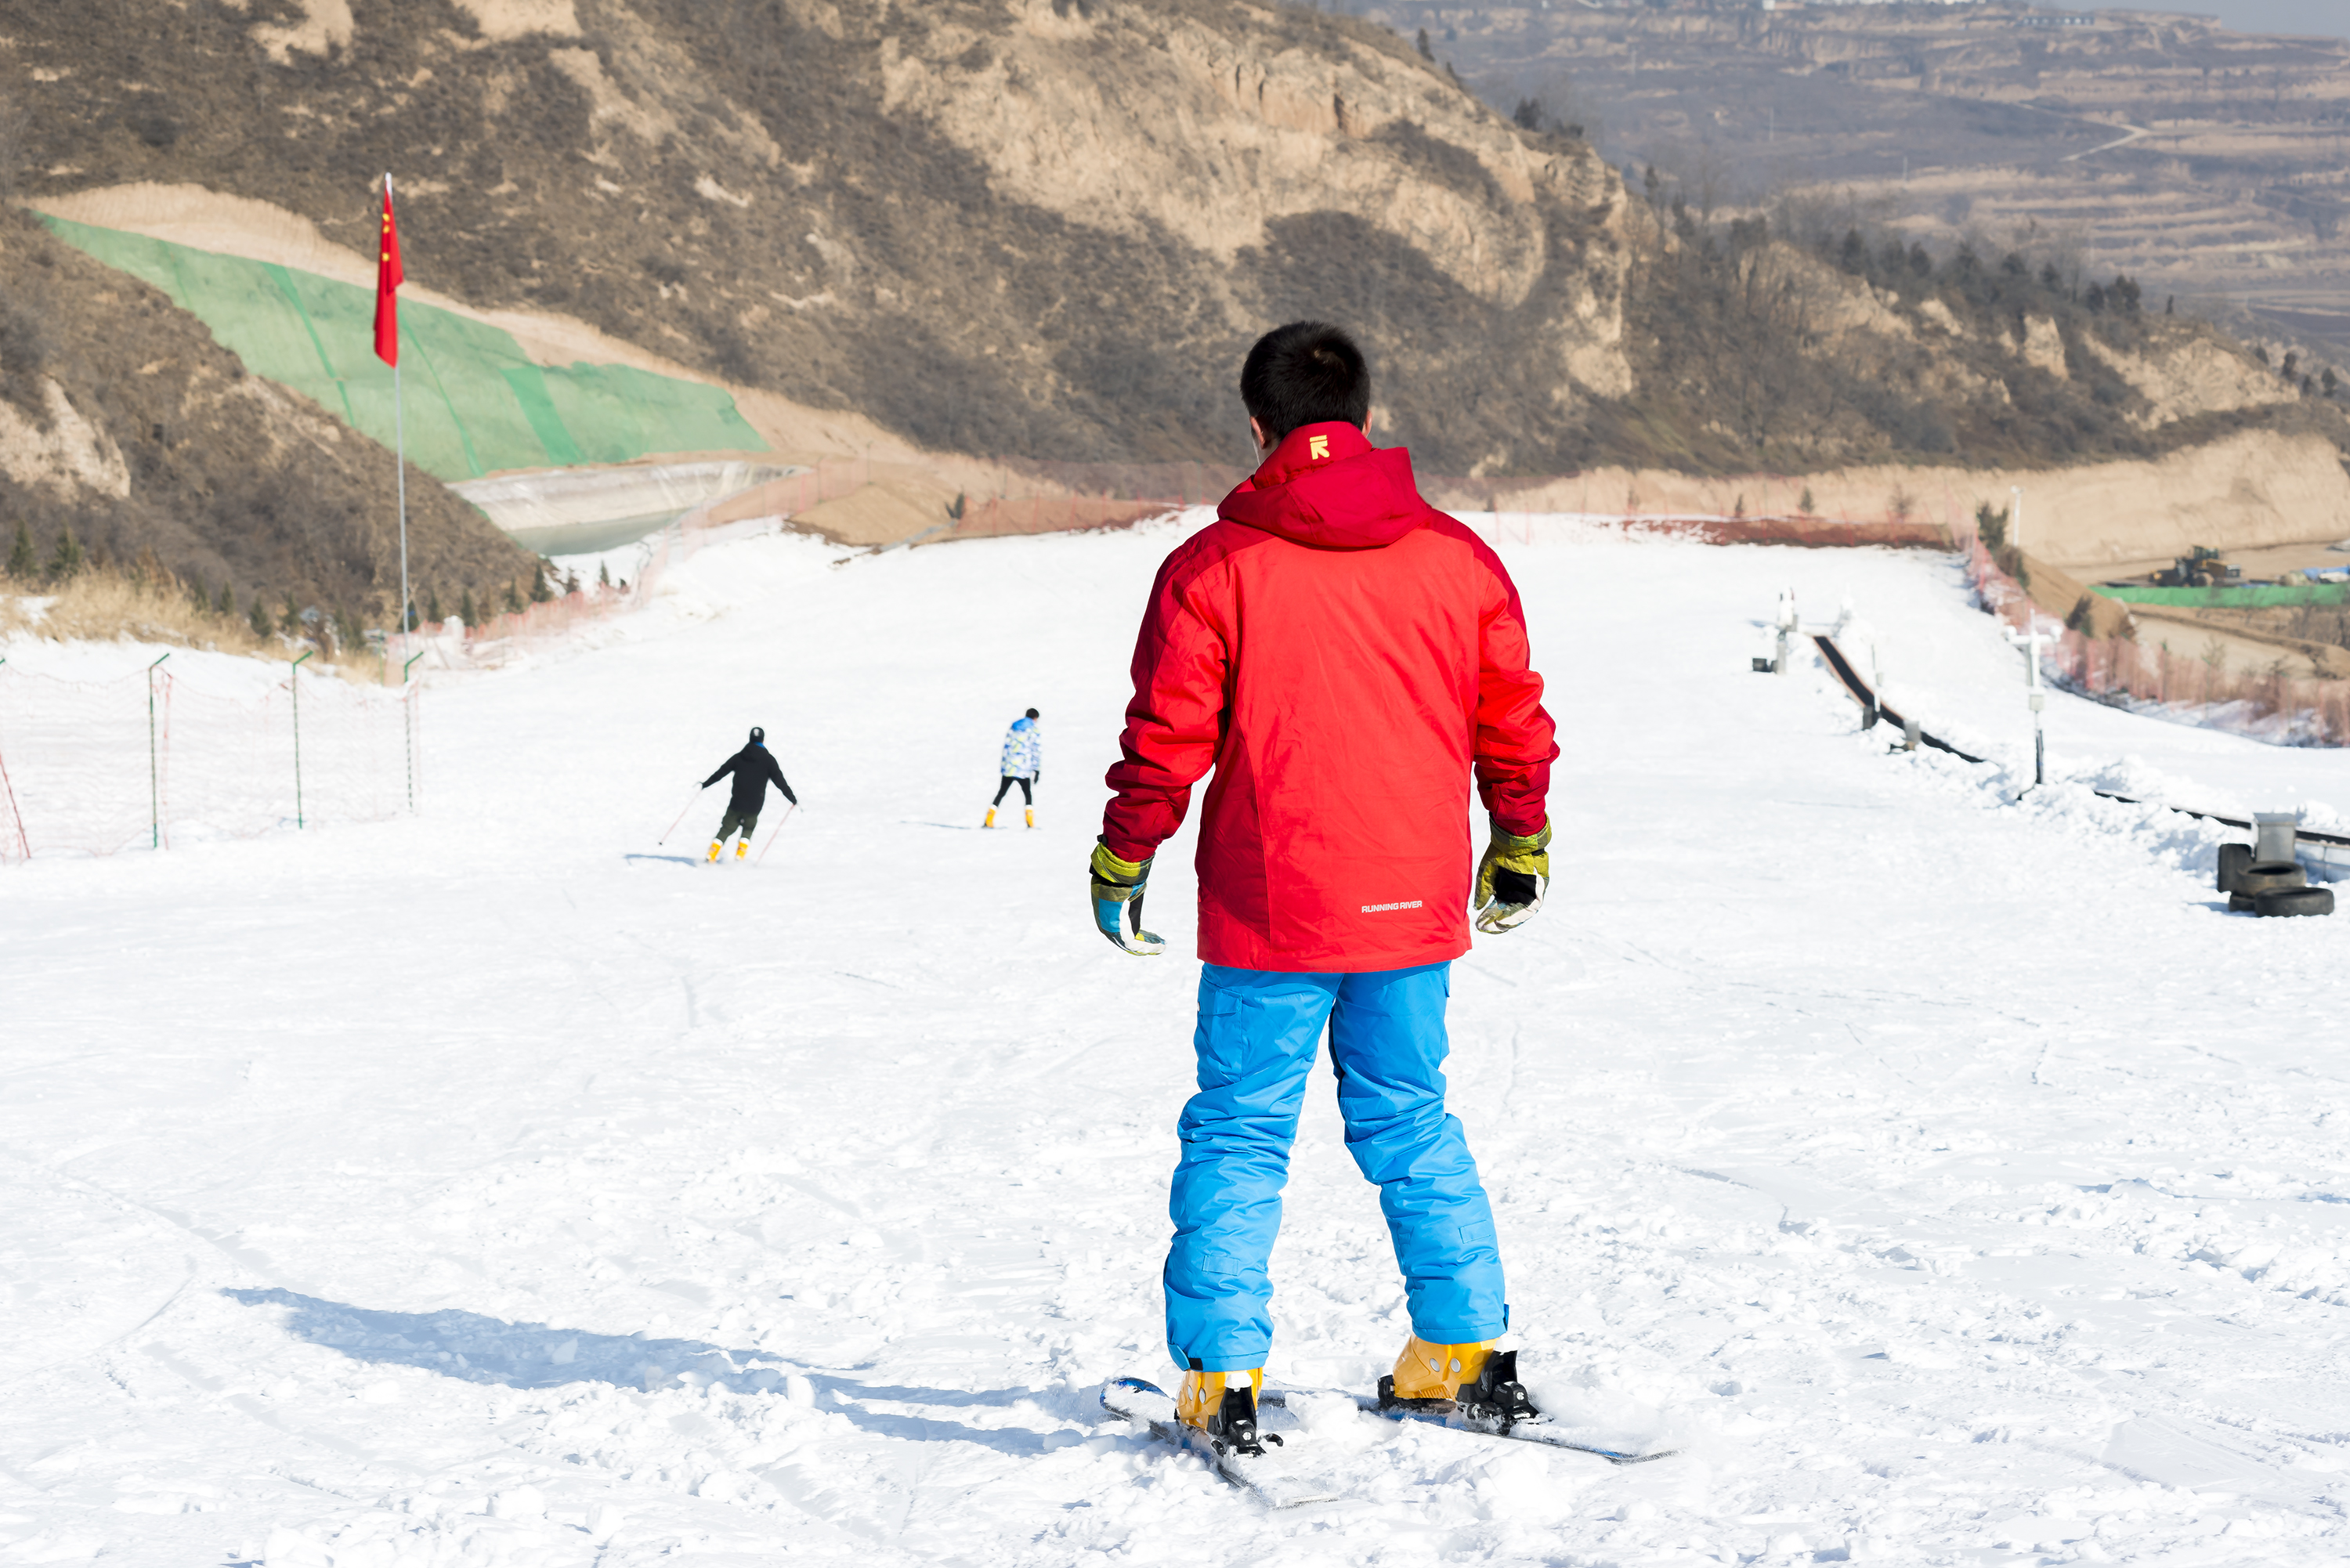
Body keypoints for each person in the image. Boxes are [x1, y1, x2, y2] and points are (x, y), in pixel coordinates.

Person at [1088, 321, 1558, 1456]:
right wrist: (1521, 838)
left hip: (1271, 912)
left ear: (1259, 428)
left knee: (1244, 1131)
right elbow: (1512, 719)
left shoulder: (1216, 568)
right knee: (1411, 1115)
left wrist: (1124, 854)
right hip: (1412, 902)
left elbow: (1166, 740)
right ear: (1360, 416)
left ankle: (1222, 1375)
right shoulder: (1458, 558)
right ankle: (1461, 1348)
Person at [702, 725, 796, 862]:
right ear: (763, 740)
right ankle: (740, 857)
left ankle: (712, 854)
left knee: (727, 828)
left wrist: (705, 784)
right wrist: (792, 798)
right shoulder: (769, 760)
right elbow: (779, 781)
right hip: (754, 805)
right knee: (748, 828)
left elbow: (721, 772)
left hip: (736, 802)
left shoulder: (739, 757)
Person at [984, 707, 1043, 829]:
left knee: (1001, 793)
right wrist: (1037, 769)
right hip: (1023, 768)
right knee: (1027, 794)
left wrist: (1004, 766)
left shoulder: (1014, 726)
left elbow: (1007, 746)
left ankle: (989, 819)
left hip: (1009, 767)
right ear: (1035, 718)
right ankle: (1030, 822)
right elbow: (1036, 750)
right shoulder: (1033, 729)